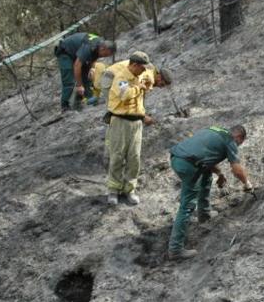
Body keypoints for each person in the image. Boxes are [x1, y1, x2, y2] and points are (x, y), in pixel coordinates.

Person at [167, 125, 254, 260]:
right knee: (187, 205)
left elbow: (204, 155)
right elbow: (237, 170)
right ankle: (175, 249)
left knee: (206, 174)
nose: (238, 145)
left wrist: (219, 173)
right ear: (239, 137)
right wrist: (247, 184)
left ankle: (204, 214)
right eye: (240, 143)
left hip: (177, 157)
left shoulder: (213, 129)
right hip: (188, 165)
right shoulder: (230, 141)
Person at [105, 51, 172, 205]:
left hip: (136, 122)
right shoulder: (121, 77)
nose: (144, 71)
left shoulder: (139, 75)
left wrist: (147, 84)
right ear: (134, 65)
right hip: (120, 121)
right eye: (142, 68)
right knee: (117, 156)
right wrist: (138, 87)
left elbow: (148, 77)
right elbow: (124, 94)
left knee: (134, 158)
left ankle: (129, 189)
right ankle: (113, 190)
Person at [54, 32, 116, 111]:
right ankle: (65, 106)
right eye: (105, 55)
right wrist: (79, 85)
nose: (104, 57)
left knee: (87, 75)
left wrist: (92, 68)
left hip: (78, 52)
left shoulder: (100, 44)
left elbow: (96, 55)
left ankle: (88, 98)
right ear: (102, 49)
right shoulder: (88, 47)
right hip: (65, 52)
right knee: (69, 80)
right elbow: (77, 66)